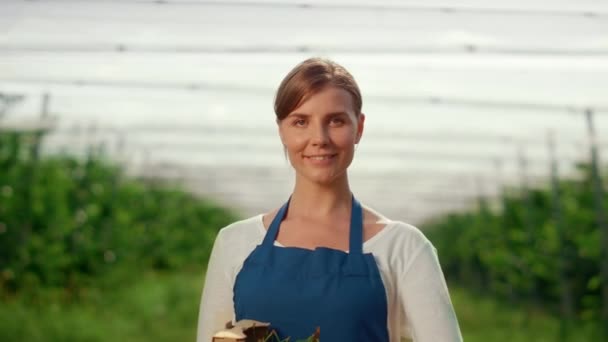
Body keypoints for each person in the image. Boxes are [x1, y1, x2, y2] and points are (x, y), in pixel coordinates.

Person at [196, 57, 463, 341]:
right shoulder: (234, 242)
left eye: (336, 121)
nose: (319, 138)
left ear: (358, 128)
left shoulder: (404, 248)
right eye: (300, 122)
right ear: (281, 131)